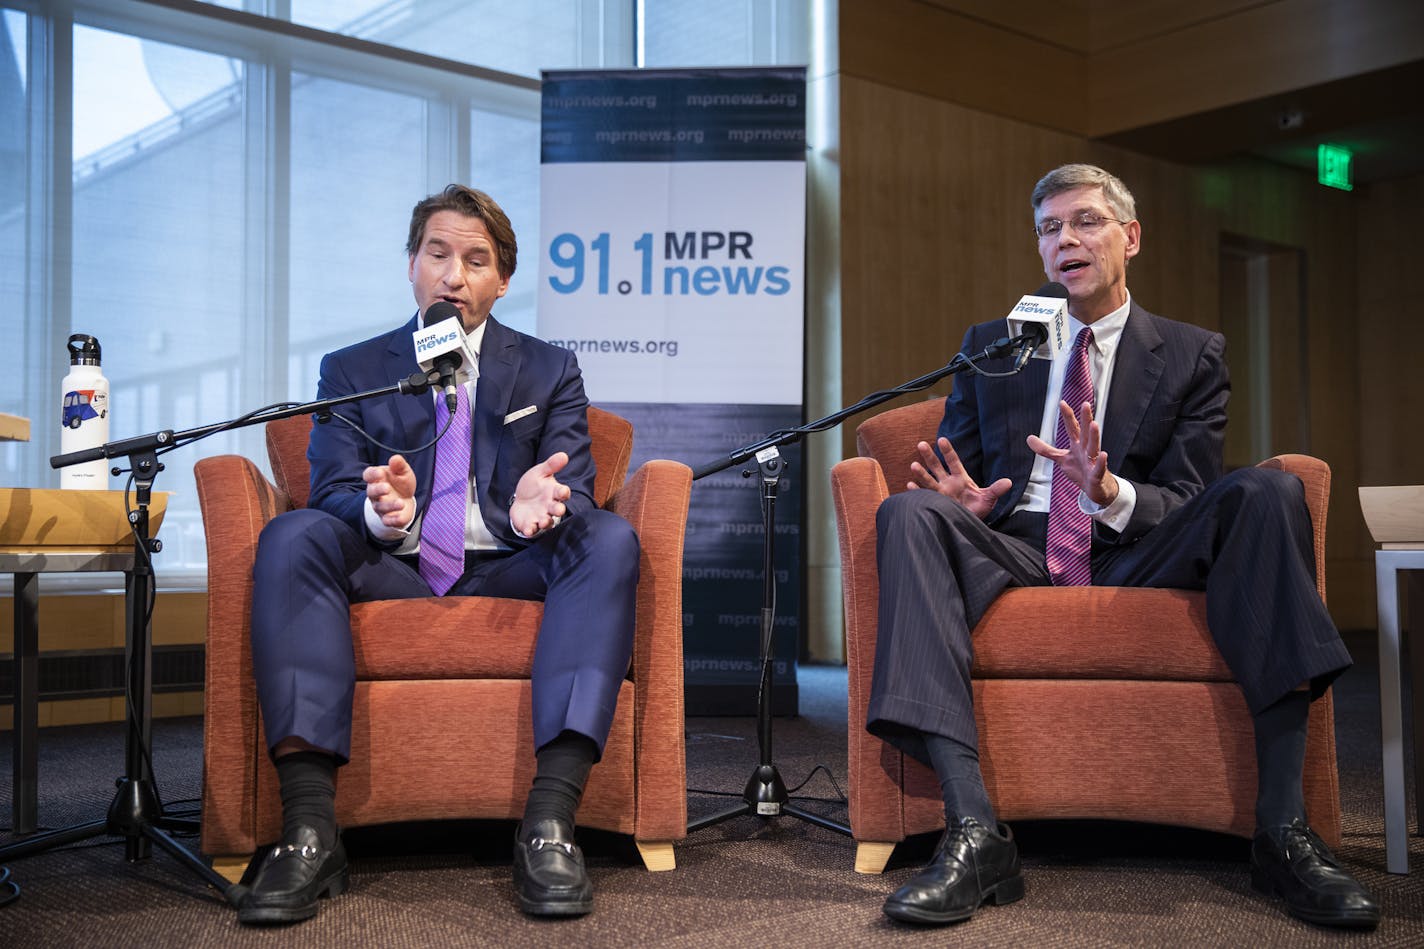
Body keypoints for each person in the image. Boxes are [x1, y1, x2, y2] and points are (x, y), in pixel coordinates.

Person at [866, 164, 1379, 930]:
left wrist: (1108, 493)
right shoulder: (994, 347)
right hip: (1021, 546)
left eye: (1085, 221)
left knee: (1269, 492)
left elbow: (1188, 494)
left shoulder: (1191, 353)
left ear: (1129, 237)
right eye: (1049, 228)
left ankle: (1282, 829)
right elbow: (966, 474)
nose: (1065, 239)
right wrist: (967, 504)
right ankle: (974, 833)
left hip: (1134, 545)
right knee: (908, 515)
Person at [238, 185, 639, 925]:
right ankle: (307, 831)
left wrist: (533, 511)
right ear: (413, 266)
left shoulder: (549, 370)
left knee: (608, 537)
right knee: (290, 534)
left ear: (503, 280)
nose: (454, 275)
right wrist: (377, 512)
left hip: (509, 564)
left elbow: (574, 488)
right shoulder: (353, 368)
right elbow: (327, 489)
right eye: (438, 254)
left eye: (476, 260)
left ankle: (550, 820)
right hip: (388, 564)